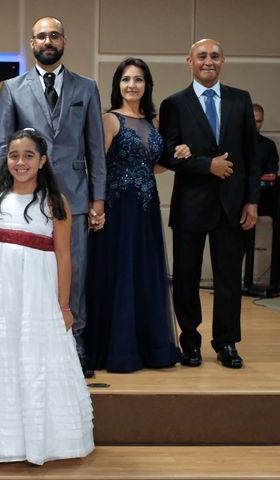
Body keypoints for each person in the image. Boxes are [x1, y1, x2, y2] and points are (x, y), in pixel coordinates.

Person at [0, 129, 94, 465]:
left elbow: (63, 257)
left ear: (42, 161)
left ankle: (39, 438)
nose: (21, 162)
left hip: (38, 296)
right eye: (14, 155)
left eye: (29, 155)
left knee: (35, 358)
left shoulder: (54, 204)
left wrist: (63, 304)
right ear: (6, 161)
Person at [0, 16, 106, 377]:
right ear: (31, 43)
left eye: (54, 34)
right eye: (41, 36)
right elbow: (1, 145)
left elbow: (95, 151)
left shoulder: (86, 88)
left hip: (73, 195)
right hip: (26, 199)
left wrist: (97, 199)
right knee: (30, 272)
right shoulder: (12, 88)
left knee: (74, 269)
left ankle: (76, 340)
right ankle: (30, 343)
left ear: (64, 41)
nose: (47, 40)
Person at [159, 39, 260, 369]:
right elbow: (167, 155)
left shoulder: (240, 100)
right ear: (189, 61)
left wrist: (252, 201)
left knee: (228, 278)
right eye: (201, 56)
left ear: (223, 61)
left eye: (215, 56)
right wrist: (207, 165)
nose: (208, 61)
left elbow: (251, 156)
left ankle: (227, 342)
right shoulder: (174, 103)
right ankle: (190, 340)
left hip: (233, 206)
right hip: (190, 205)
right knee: (186, 277)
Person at [85, 58, 187, 373]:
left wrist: (177, 156)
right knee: (119, 272)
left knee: (144, 272)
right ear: (118, 85)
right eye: (126, 79)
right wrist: (96, 203)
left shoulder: (152, 122)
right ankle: (116, 349)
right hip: (117, 208)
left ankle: (147, 347)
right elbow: (96, 164)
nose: (132, 85)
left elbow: (152, 164)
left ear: (147, 85)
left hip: (146, 207)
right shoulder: (110, 119)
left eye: (138, 79)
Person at [253, 104, 279, 182]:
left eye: (258, 121)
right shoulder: (234, 142)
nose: (255, 124)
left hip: (262, 190)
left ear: (262, 121)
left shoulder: (269, 145)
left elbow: (271, 175)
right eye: (252, 120)